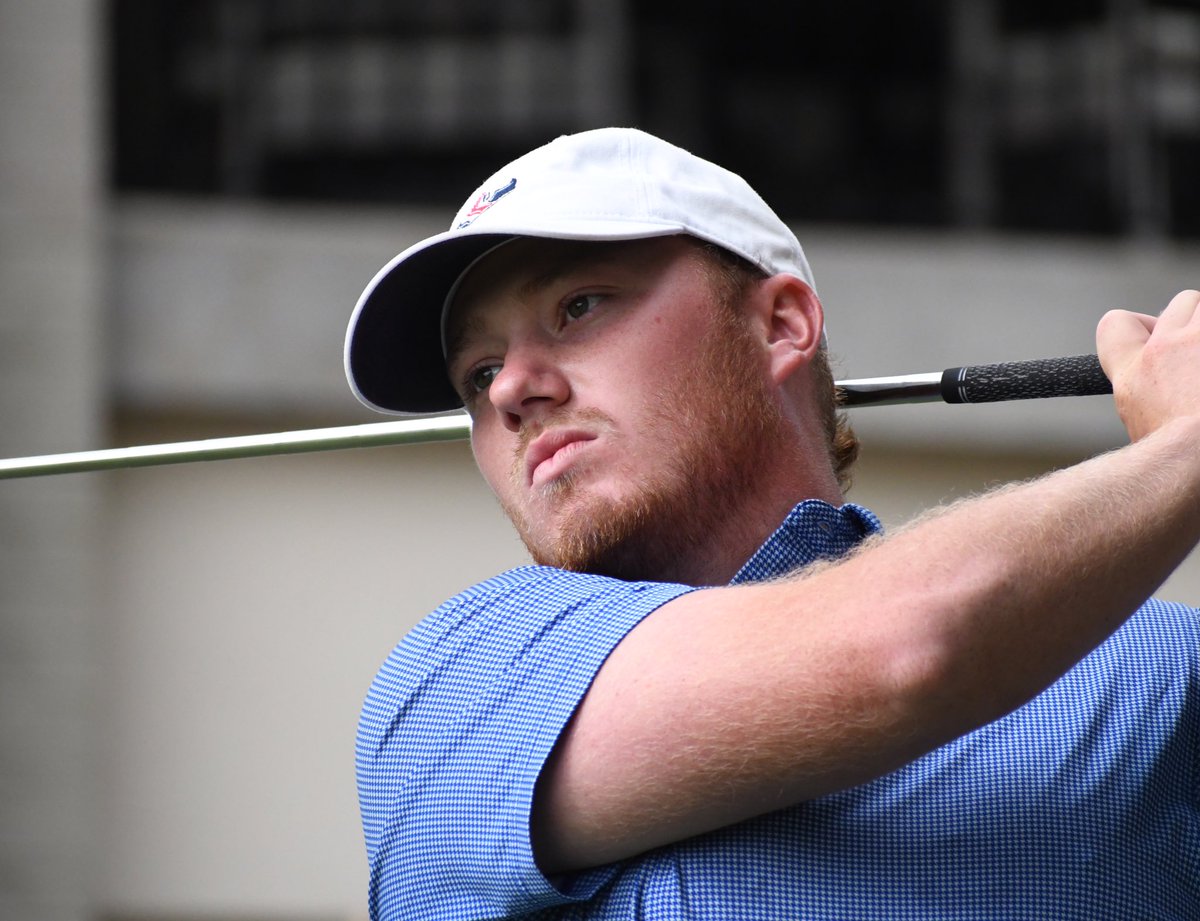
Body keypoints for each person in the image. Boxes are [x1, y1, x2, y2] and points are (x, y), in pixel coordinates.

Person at [344, 127, 1200, 920]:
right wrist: (1187, 448)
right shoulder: (453, 688)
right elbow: (901, 649)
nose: (507, 390)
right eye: (479, 372)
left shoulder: (1163, 673)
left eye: (579, 306)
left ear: (780, 324)